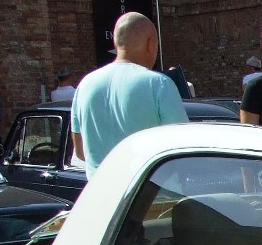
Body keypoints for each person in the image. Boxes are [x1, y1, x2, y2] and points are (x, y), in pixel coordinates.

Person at [70, 11, 188, 176]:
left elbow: (81, 151)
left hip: (99, 194)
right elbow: (183, 146)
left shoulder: (85, 85)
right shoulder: (159, 84)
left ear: (116, 42)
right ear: (151, 43)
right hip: (152, 195)